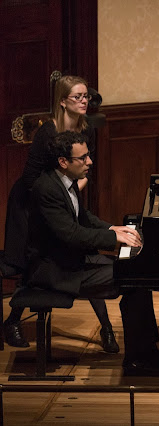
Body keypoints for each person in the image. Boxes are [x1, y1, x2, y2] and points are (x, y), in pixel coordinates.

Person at [24, 130, 159, 375]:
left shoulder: (64, 180)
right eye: (82, 158)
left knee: (137, 275)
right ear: (63, 162)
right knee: (134, 278)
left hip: (70, 261)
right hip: (55, 270)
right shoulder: (47, 189)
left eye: (88, 156)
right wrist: (113, 238)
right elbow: (71, 234)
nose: (89, 162)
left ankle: (146, 353)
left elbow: (83, 218)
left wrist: (111, 227)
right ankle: (139, 360)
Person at [3, 75, 120, 353]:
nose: (84, 101)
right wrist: (60, 195)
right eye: (77, 97)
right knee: (38, 263)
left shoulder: (86, 128)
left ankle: (106, 329)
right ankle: (12, 322)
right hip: (32, 201)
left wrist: (72, 191)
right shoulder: (48, 132)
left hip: (64, 195)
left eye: (86, 97)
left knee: (78, 254)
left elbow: (84, 165)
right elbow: (31, 178)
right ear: (63, 102)